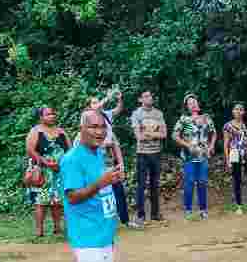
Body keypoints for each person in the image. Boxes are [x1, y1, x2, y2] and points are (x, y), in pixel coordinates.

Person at [60, 110, 123, 262]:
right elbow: (73, 196)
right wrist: (101, 183)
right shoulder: (73, 159)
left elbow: (98, 184)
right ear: (82, 129)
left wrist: (111, 180)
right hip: (87, 234)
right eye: (93, 127)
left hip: (102, 230)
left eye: (102, 127)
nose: (99, 131)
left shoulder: (97, 153)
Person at [25, 107, 71, 239]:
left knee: (57, 201)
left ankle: (57, 227)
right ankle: (39, 230)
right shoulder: (35, 131)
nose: (52, 116)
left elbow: (70, 151)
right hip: (42, 172)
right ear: (41, 117)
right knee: (41, 201)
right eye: (48, 114)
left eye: (53, 114)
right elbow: (30, 150)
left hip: (59, 171)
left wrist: (63, 164)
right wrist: (46, 163)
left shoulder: (61, 132)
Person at [89, 90, 130, 228]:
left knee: (118, 189)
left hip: (109, 159)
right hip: (95, 160)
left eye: (97, 101)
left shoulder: (106, 116)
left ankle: (125, 220)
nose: (97, 104)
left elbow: (118, 109)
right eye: (94, 102)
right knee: (101, 192)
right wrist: (107, 97)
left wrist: (119, 99)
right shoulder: (88, 120)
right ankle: (104, 221)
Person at [173, 94, 216, 219]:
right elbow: (175, 136)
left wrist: (212, 145)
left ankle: (203, 210)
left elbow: (214, 133)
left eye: (194, 101)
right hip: (189, 156)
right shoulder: (183, 119)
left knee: (202, 182)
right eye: (190, 103)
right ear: (187, 107)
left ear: (198, 103)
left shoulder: (206, 118)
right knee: (189, 182)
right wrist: (187, 145)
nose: (193, 104)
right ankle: (188, 210)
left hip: (203, 155)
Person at [129, 91, 166, 224]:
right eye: (146, 96)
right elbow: (138, 136)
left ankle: (155, 214)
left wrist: (148, 133)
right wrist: (154, 133)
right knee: (141, 185)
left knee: (155, 184)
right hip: (142, 154)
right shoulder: (136, 114)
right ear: (140, 99)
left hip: (156, 153)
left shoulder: (158, 113)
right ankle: (141, 215)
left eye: (150, 95)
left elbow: (164, 134)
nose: (149, 98)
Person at [223, 104, 247, 212]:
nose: (238, 111)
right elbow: (226, 144)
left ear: (244, 112)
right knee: (237, 180)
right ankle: (239, 207)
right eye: (236, 109)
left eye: (241, 109)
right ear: (233, 111)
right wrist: (227, 159)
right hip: (234, 154)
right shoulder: (227, 126)